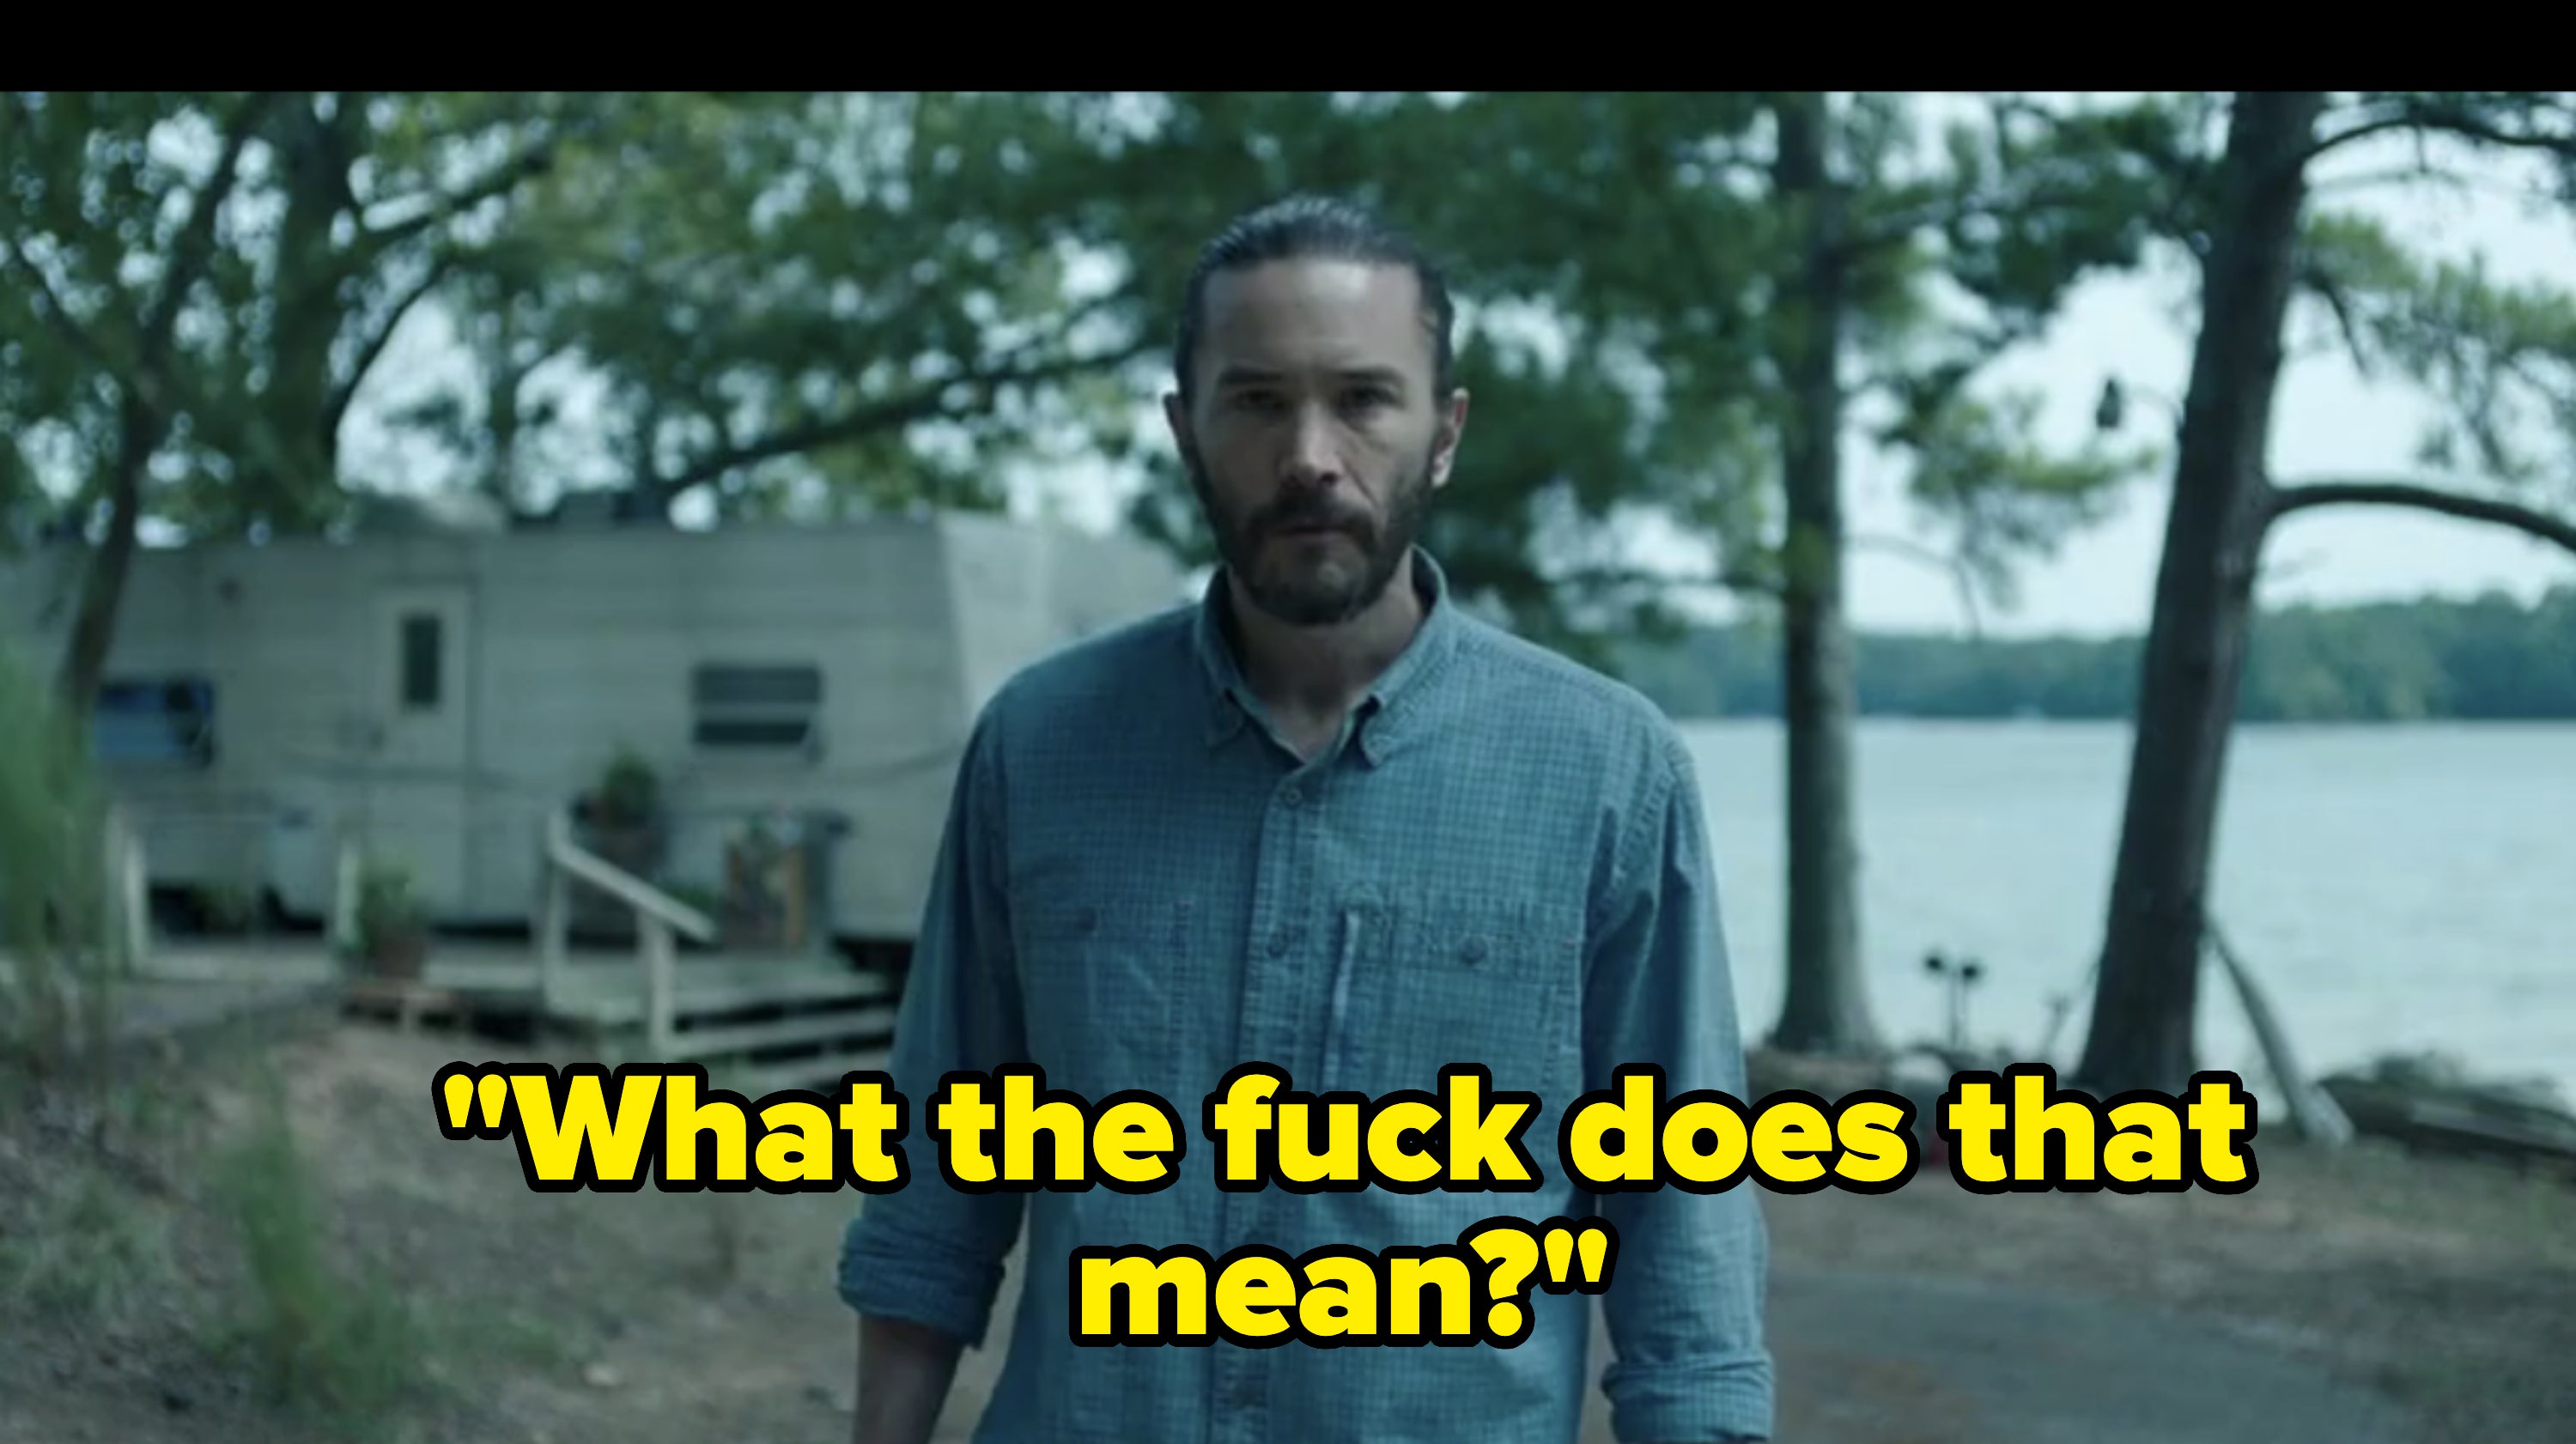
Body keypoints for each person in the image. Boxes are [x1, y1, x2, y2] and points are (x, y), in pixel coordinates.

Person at [841, 194, 1773, 1444]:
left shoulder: (1608, 773)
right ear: (1186, 429)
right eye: (1258, 400)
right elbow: (933, 1196)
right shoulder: (1040, 748)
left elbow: (1685, 1261)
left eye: (1364, 399)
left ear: (1442, 434)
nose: (1310, 456)